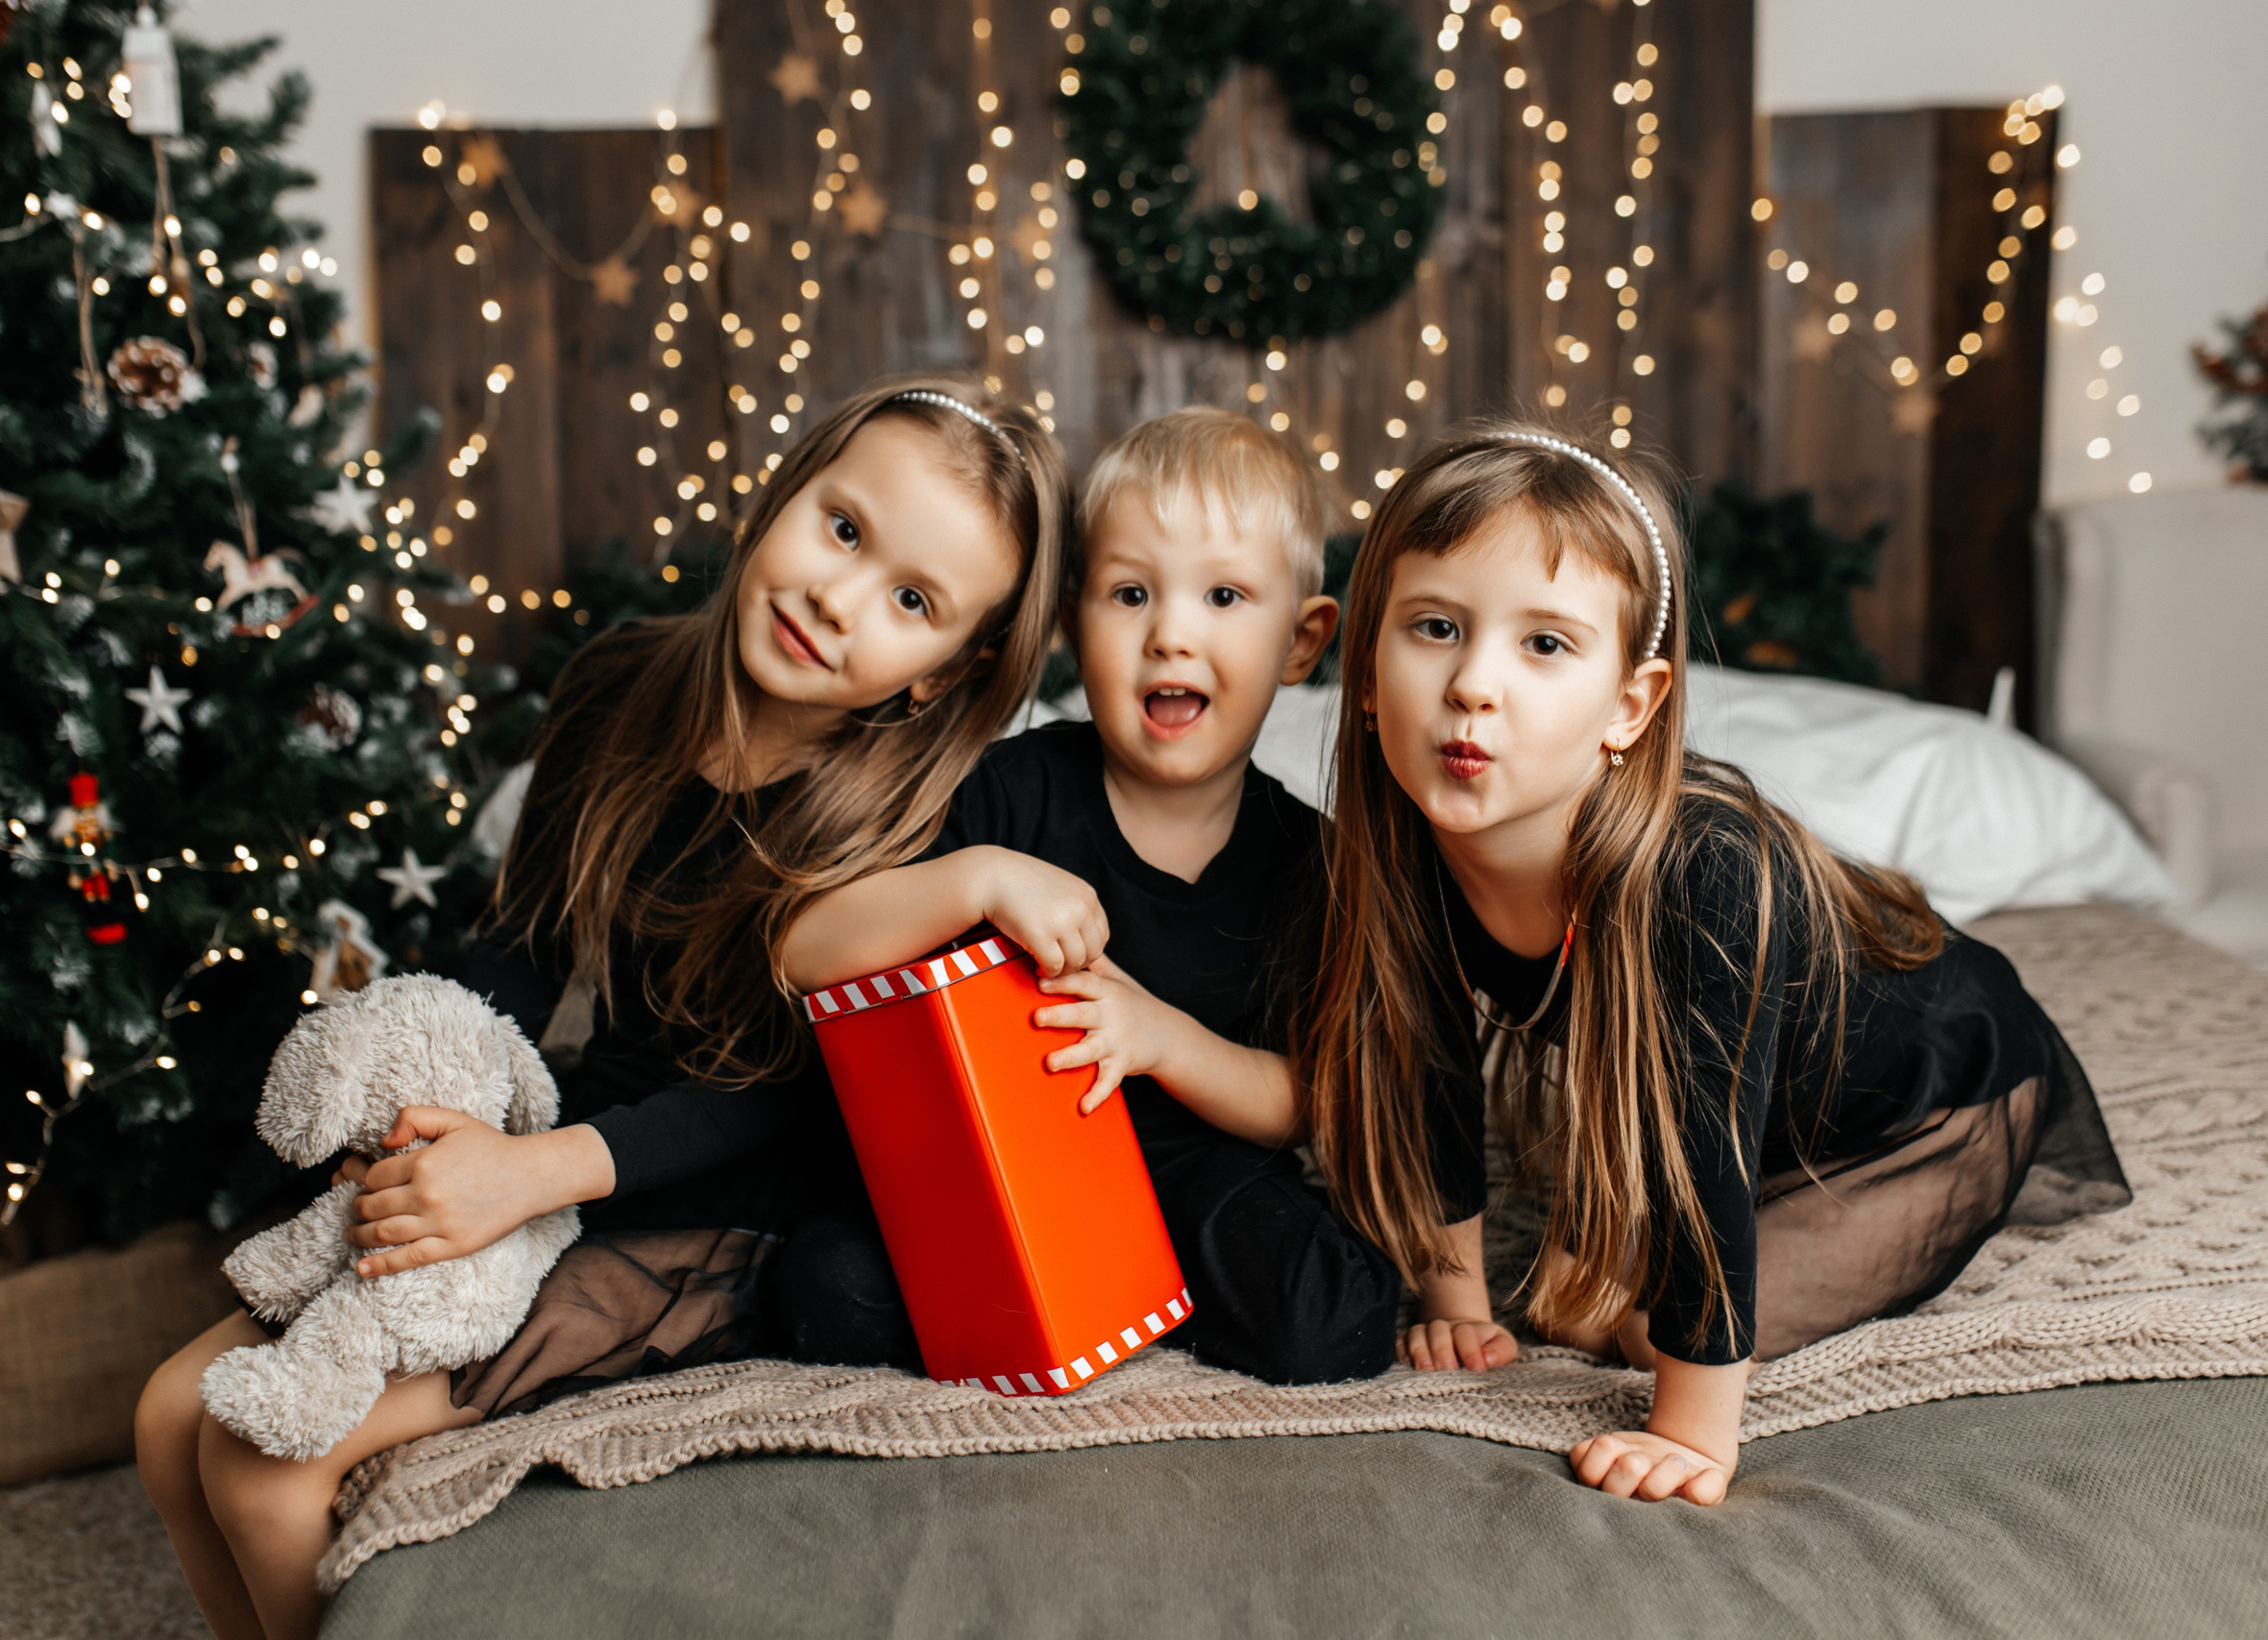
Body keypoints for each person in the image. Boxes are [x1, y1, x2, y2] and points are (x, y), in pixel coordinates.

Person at [134, 379, 1073, 1640]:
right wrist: (443, 1110)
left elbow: (783, 1100)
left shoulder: (906, 820)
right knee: (163, 1412)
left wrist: (531, 1173)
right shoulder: (623, 680)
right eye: (842, 528)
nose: (838, 600)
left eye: (912, 601)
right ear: (784, 490)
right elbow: (522, 946)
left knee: (261, 1457)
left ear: (938, 674)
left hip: (726, 1207)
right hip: (573, 1137)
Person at [1296, 423, 2131, 1505]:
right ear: (1363, 673)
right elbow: (1429, 1071)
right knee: (1562, 1290)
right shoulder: (1404, 842)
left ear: (1627, 709)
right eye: (1436, 627)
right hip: (1742, 1091)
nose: (1471, 686)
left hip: (1930, 1092)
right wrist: (1458, 1301)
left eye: (1544, 645)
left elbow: (1701, 1164)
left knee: (1640, 1327)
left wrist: (1692, 1433)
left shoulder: (1703, 875)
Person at [776, 407, 1412, 1384]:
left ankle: (1137, 1289)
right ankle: (1093, 1291)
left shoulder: (1311, 863)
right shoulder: (1006, 792)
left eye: (1225, 596)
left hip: (1197, 1164)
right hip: (1005, 1160)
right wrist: (973, 881)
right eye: (1129, 594)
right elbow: (801, 950)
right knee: (827, 1287)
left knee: (1338, 1321)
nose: (1170, 635)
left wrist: (1163, 1040)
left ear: (1302, 641)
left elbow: (1308, 1102)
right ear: (1074, 622)